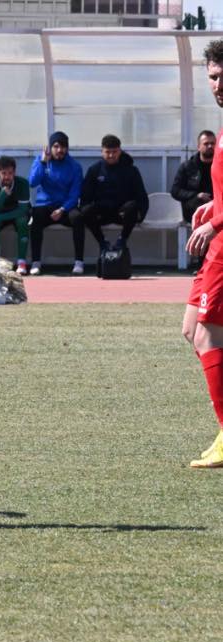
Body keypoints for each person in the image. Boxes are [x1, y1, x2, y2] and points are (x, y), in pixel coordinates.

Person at [184, 38, 223, 468]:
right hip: (218, 242)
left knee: (207, 334)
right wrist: (213, 205)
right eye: (213, 77)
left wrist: (215, 221)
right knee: (190, 328)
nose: (218, 85)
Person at [78, 134, 148, 258]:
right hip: (101, 213)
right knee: (85, 210)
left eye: (114, 152)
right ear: (102, 152)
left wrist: (141, 214)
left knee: (133, 207)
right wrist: (88, 209)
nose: (111, 155)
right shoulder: (94, 170)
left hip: (122, 213)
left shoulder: (131, 170)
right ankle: (102, 242)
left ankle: (122, 240)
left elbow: (141, 196)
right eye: (107, 152)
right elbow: (85, 197)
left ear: (119, 151)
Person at [28, 131, 85, 275]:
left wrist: (62, 209)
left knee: (78, 218)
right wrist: (42, 162)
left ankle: (79, 262)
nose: (60, 150)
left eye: (63, 147)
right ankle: (36, 262)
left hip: (65, 207)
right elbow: (32, 182)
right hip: (44, 206)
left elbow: (75, 194)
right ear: (50, 147)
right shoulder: (40, 161)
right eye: (56, 146)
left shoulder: (75, 167)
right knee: (35, 216)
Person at [172, 130, 214, 225]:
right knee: (202, 210)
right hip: (193, 206)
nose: (210, 146)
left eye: (212, 143)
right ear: (198, 147)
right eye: (206, 143)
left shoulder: (220, 166)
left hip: (215, 205)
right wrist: (197, 195)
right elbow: (175, 191)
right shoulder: (187, 166)